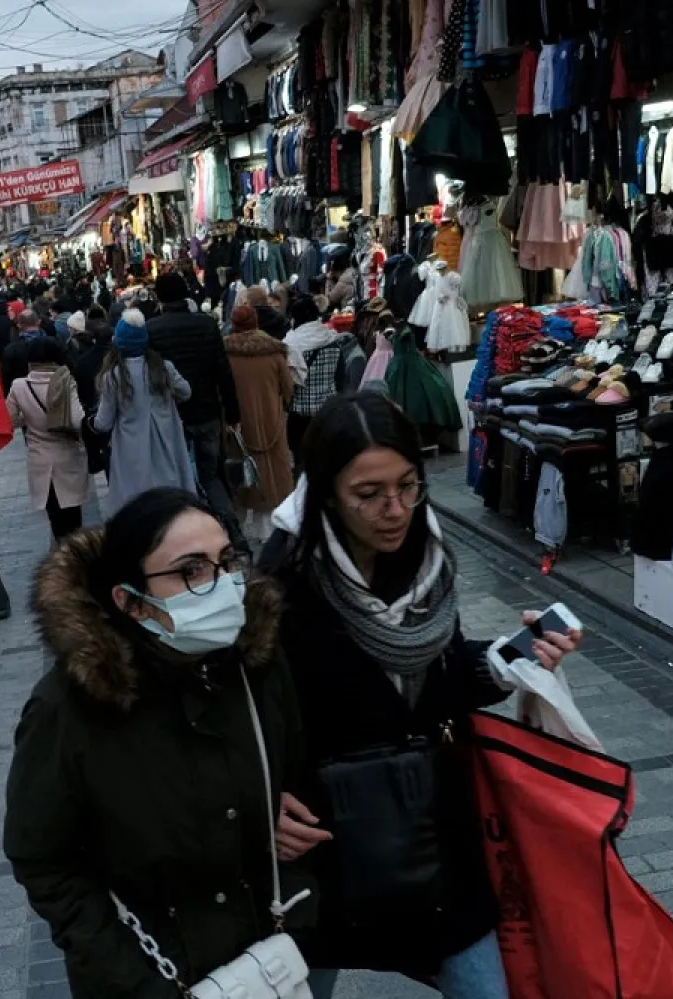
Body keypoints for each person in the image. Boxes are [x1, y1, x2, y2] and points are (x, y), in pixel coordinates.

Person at [259, 392, 581, 998]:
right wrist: (261, 802)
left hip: (433, 829)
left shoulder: (426, 561)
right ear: (326, 492)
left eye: (409, 485)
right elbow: (247, 715)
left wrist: (510, 659)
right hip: (328, 843)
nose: (395, 509)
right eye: (369, 493)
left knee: (486, 988)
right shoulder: (281, 585)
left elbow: (434, 676)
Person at [5, 488, 313, 997]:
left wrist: (299, 894)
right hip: (148, 975)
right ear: (129, 601)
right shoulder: (69, 708)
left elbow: (290, 775)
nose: (219, 585)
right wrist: (131, 975)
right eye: (190, 571)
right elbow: (42, 858)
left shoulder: (254, 666)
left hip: (266, 964)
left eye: (225, 562)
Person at [145, 271, 244, 540]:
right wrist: (233, 412)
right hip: (208, 412)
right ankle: (231, 530)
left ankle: (194, 535)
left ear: (160, 297)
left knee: (180, 478)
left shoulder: (151, 330)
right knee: (210, 474)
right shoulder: (206, 325)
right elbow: (223, 372)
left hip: (172, 417)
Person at [93, 309, 195, 512]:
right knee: (171, 503)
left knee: (139, 507)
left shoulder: (113, 377)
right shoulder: (163, 368)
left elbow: (103, 423)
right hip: (167, 444)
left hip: (131, 453)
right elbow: (186, 392)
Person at [6, 337, 89, 539]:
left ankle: (62, 559)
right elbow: (78, 420)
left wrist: (28, 417)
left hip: (40, 462)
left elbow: (10, 421)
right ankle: (75, 561)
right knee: (73, 519)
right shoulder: (66, 381)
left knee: (56, 520)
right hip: (68, 459)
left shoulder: (19, 386)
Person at [223, 305, 294, 539]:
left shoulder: (225, 353)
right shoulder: (273, 352)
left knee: (240, 476)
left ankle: (239, 531)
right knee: (271, 476)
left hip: (237, 426)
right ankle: (269, 532)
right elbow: (288, 389)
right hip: (270, 424)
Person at [282, 297, 365, 459]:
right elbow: (340, 379)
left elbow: (287, 384)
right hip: (327, 412)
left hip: (300, 416)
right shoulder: (332, 341)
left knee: (302, 460)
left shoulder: (291, 345)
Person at [2, 308, 56, 390]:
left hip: (24, 393)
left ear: (19, 325)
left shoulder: (12, 349)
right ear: (39, 321)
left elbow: (7, 378)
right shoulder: (54, 343)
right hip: (52, 391)